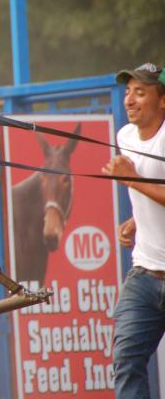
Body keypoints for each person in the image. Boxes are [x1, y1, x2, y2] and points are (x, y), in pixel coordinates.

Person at [102, 63, 165, 399]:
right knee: (126, 362)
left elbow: (142, 183)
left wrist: (133, 181)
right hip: (143, 274)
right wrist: (137, 221)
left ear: (163, 99)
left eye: (140, 92)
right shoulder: (124, 136)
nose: (130, 99)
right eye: (128, 91)